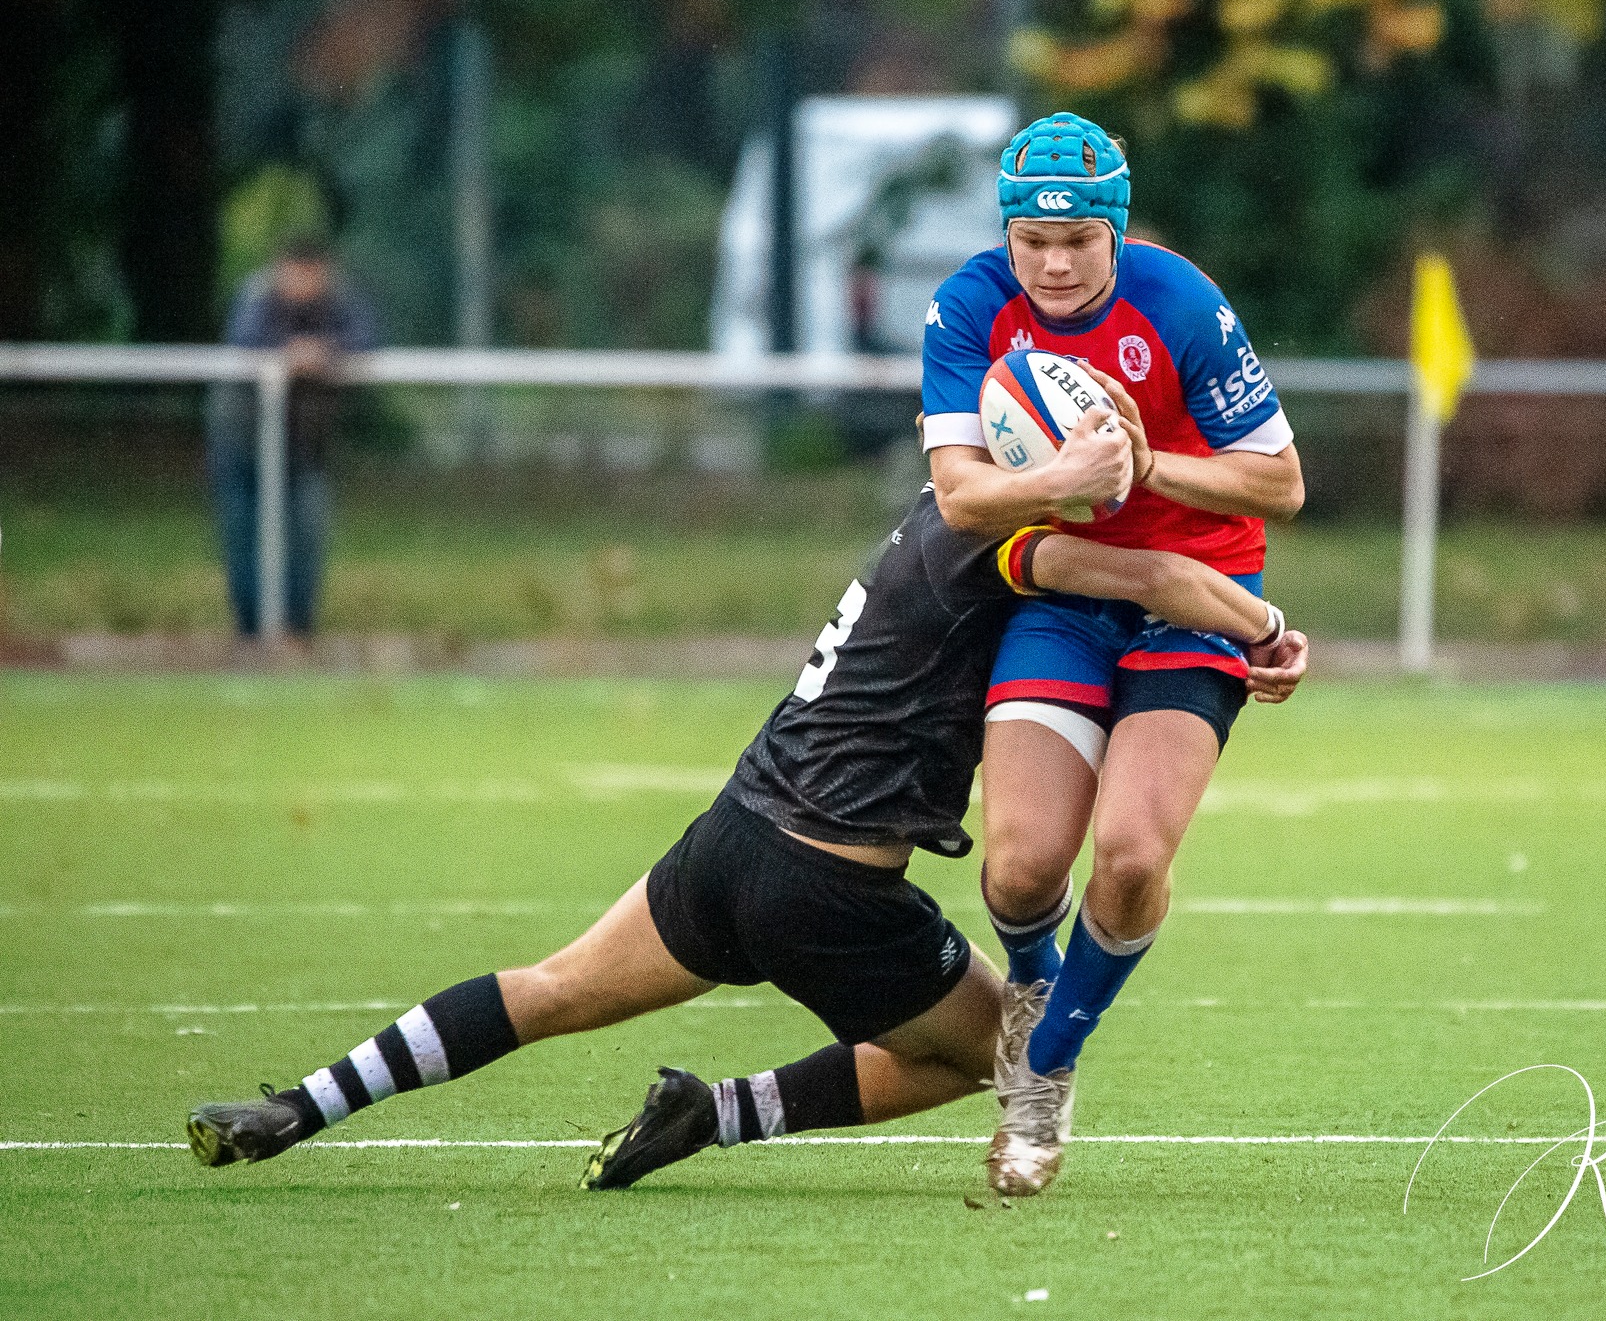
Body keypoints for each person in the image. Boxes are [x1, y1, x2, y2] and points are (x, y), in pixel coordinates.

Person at [186, 420, 1308, 1189]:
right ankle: (718, 1114)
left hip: (732, 834)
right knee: (1001, 1058)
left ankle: (302, 1106)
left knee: (551, 987)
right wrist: (1263, 633)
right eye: (1077, 451)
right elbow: (1162, 583)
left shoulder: (932, 514)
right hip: (830, 883)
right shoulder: (1013, 547)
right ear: (1036, 461)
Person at [920, 112, 1307, 1196]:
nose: (1049, 262)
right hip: (1070, 592)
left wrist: (1146, 468)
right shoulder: (968, 306)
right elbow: (958, 498)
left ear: (1113, 233)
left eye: (1077, 240)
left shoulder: (1178, 302)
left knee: (1131, 858)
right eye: (1030, 239)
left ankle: (1041, 1070)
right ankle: (1035, 994)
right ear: (1006, 232)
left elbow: (1278, 483)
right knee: (1018, 866)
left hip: (1196, 599)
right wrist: (1063, 484)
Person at [205, 235, 380, 641]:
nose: (303, 283)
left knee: (306, 535)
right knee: (242, 534)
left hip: (304, 447)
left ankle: (297, 631)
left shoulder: (342, 300)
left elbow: (367, 337)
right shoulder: (257, 295)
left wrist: (323, 353)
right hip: (242, 441)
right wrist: (289, 352)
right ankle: (252, 632)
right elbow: (244, 340)